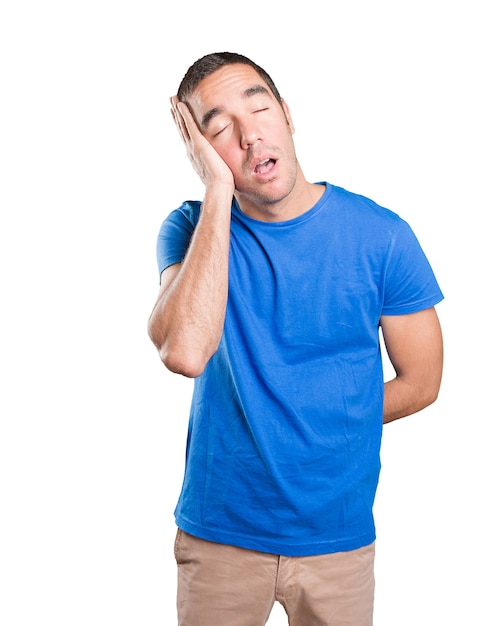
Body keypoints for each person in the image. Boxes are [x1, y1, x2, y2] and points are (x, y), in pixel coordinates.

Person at [148, 52, 444, 626]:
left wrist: (320, 421)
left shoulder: (382, 236)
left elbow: (423, 382)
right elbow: (183, 350)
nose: (249, 133)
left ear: (286, 114)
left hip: (336, 535)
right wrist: (215, 191)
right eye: (218, 130)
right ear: (201, 151)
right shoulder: (188, 228)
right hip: (220, 535)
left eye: (259, 108)